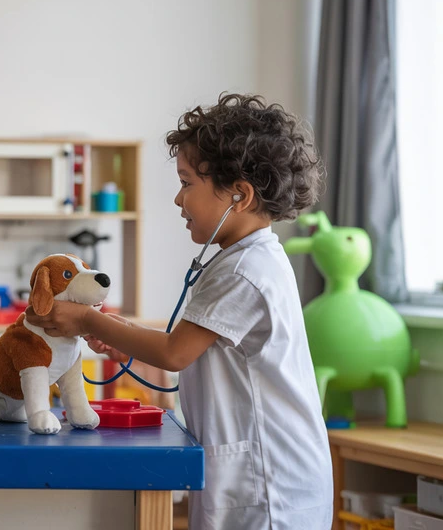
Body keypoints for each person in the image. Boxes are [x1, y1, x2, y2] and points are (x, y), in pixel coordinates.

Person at [27, 93, 331, 529]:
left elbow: (175, 352)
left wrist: (87, 320)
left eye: (187, 183)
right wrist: (119, 334)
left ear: (238, 196)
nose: (177, 199)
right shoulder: (240, 259)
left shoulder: (245, 269)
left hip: (270, 483)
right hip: (252, 472)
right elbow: (200, 350)